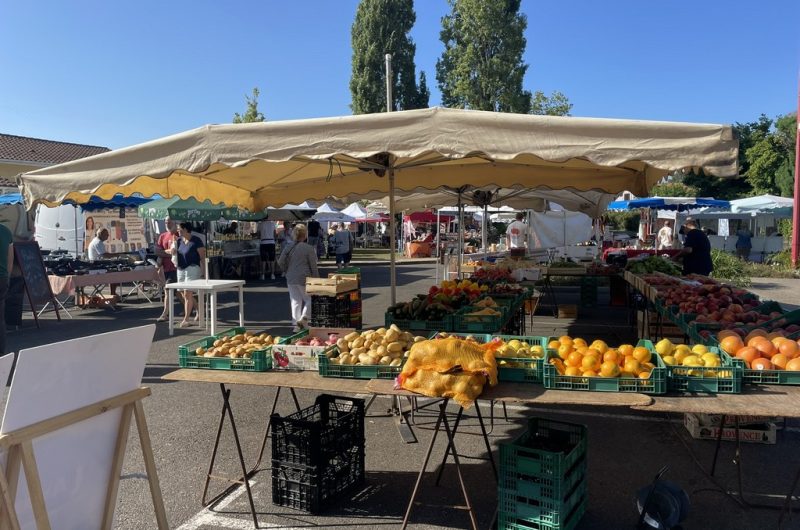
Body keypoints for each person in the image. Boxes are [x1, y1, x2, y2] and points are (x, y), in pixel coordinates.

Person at [277, 224, 319, 331]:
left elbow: (280, 262)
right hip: (304, 277)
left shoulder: (288, 246)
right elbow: (313, 266)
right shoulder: (308, 248)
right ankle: (304, 318)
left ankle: (296, 326)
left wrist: (287, 271)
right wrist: (317, 279)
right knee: (311, 299)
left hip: (290, 277)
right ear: (305, 235)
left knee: (295, 301)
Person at [172, 222, 206, 327]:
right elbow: (173, 252)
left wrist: (204, 273)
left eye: (180, 229)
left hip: (192, 268)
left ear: (186, 229)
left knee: (187, 294)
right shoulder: (178, 240)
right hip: (180, 269)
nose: (178, 231)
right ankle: (200, 311)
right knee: (183, 294)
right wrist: (170, 251)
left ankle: (186, 319)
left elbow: (202, 258)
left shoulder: (196, 240)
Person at [155, 218, 179, 322]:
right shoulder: (163, 236)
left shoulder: (179, 235)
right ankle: (196, 308)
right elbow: (157, 251)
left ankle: (165, 314)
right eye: (166, 222)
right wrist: (169, 252)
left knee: (167, 289)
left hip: (176, 267)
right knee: (180, 293)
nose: (167, 224)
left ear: (174, 222)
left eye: (169, 222)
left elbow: (178, 252)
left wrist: (165, 252)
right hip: (166, 268)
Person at [87, 228, 120, 295]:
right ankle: (113, 293)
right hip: (97, 267)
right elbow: (105, 255)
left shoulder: (96, 241)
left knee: (114, 272)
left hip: (96, 265)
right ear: (101, 234)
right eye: (106, 234)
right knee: (115, 274)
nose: (108, 235)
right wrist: (116, 255)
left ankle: (113, 293)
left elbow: (103, 254)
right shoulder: (98, 242)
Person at [0, 224, 12, 355]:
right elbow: (10, 257)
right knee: (0, 319)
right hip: (2, 278)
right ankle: (1, 351)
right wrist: (7, 276)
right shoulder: (6, 231)